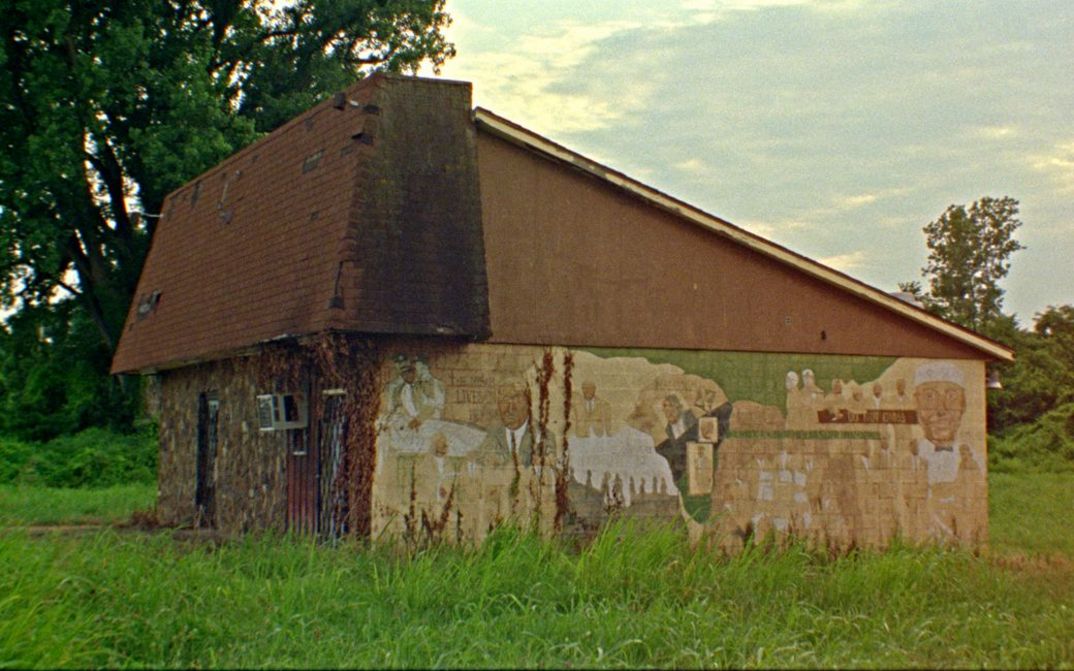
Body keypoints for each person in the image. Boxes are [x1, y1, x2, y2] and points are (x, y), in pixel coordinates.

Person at [654, 393, 697, 485]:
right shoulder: (668, 429)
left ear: (678, 408)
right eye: (667, 413)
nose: (669, 415)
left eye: (672, 411)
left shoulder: (689, 416)